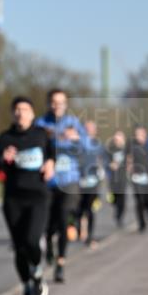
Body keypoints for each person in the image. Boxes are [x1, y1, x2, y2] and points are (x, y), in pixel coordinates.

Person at [0, 96, 54, 295]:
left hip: (38, 197)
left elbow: (53, 153)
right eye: (16, 109)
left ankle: (37, 272)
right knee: (19, 247)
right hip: (13, 198)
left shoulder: (42, 134)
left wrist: (51, 163)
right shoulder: (5, 138)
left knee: (32, 241)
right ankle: (27, 286)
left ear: (32, 114)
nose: (20, 112)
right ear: (12, 114)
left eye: (24, 109)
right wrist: (2, 159)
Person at [36, 89, 84, 283]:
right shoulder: (40, 124)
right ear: (48, 103)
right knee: (48, 224)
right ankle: (48, 241)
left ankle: (61, 263)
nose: (57, 106)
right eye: (54, 102)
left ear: (66, 104)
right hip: (47, 182)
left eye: (61, 102)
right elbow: (37, 146)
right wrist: (59, 140)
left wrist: (77, 140)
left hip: (69, 180)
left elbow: (87, 148)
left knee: (64, 220)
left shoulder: (74, 124)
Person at [76, 120, 105, 248]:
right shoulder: (77, 144)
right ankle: (79, 230)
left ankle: (90, 236)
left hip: (93, 182)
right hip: (79, 181)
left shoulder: (98, 145)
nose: (88, 130)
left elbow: (102, 160)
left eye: (91, 128)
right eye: (86, 128)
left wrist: (101, 172)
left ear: (95, 130)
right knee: (78, 209)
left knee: (90, 209)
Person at [128, 126, 148, 232]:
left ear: (145, 134)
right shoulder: (132, 147)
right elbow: (128, 159)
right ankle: (142, 224)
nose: (139, 136)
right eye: (137, 134)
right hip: (136, 177)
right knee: (139, 201)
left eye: (141, 134)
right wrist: (129, 167)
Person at [105, 130, 129, 227]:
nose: (118, 140)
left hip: (122, 177)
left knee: (122, 199)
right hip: (113, 178)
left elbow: (132, 159)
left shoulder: (126, 149)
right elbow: (105, 161)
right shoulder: (110, 149)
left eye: (120, 138)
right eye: (116, 138)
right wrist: (110, 164)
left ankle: (119, 217)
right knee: (113, 198)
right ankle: (115, 207)